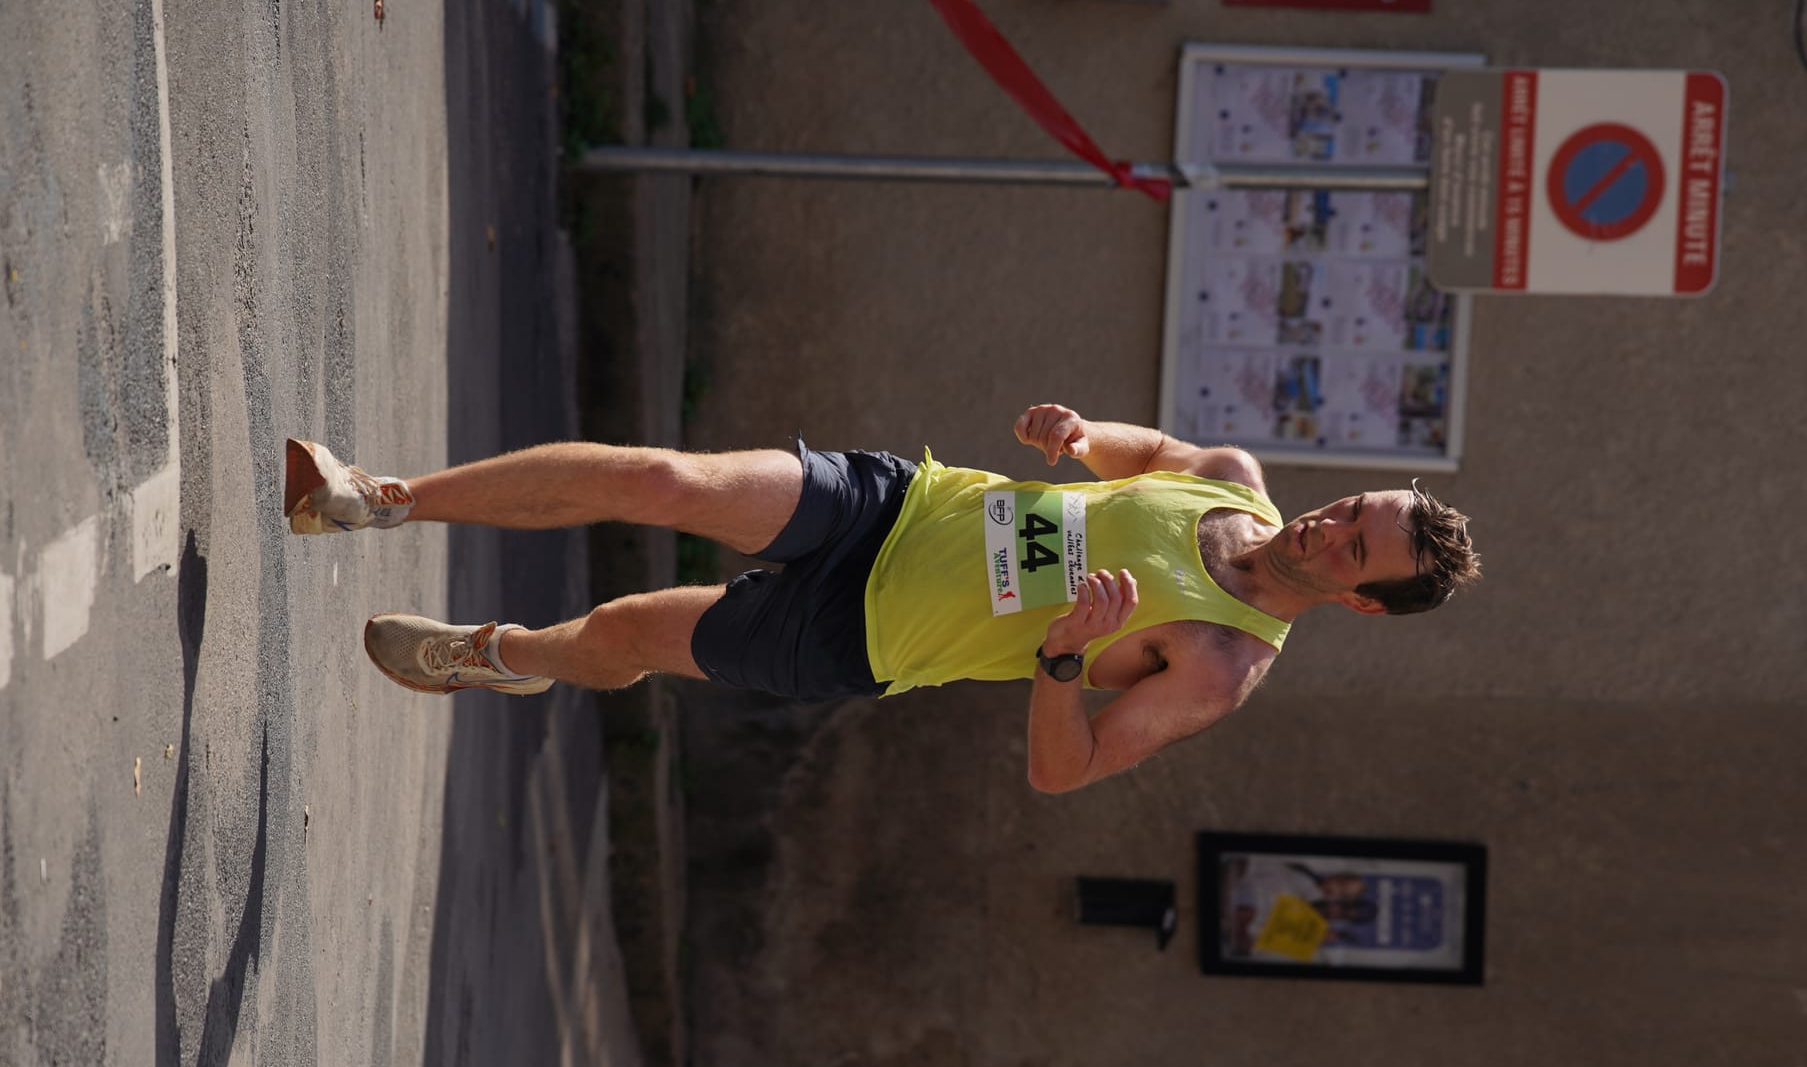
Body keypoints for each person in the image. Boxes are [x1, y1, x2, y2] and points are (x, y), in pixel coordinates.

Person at [282, 403, 1479, 791]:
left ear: (1361, 604)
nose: (1326, 526)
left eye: (1351, 549)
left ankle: (503, 655)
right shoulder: (1231, 478)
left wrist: (1062, 658)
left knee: (625, 630)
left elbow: (1062, 771)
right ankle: (376, 498)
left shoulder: (1219, 667)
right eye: (1349, 507)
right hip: (898, 507)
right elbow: (1138, 452)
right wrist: (1074, 434)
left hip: (861, 636)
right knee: (664, 481)